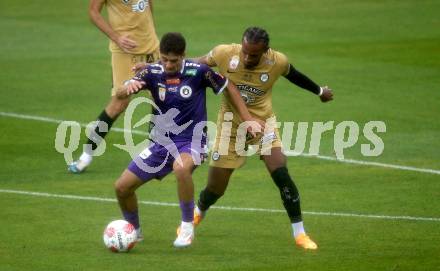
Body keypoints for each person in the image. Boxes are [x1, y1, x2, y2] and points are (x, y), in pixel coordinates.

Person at [113, 32, 262, 248]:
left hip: (192, 140)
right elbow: (119, 93)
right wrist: (126, 89)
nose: (168, 65)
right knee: (122, 187)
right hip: (161, 143)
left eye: (173, 60)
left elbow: (228, 86)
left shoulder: (198, 72)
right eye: (164, 59)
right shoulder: (152, 72)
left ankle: (186, 227)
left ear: (183, 56)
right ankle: (133, 232)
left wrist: (247, 119)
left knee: (181, 168)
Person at [193, 26, 334, 250]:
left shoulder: (276, 62)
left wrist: (319, 92)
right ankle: (199, 211)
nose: (248, 57)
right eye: (245, 52)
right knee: (215, 189)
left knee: (281, 173)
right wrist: (154, 69)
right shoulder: (224, 53)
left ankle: (300, 233)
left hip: (263, 125)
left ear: (265, 51)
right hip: (231, 127)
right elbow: (193, 65)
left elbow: (295, 75)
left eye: (254, 54)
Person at [68, 0, 160, 173]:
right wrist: (117, 37)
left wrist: (152, 32)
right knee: (119, 104)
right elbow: (93, 12)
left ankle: (153, 152)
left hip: (152, 49)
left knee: (160, 98)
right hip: (124, 53)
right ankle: (86, 155)